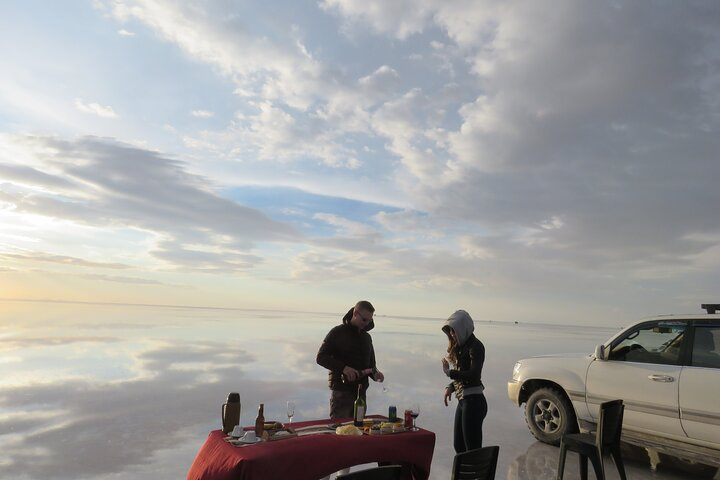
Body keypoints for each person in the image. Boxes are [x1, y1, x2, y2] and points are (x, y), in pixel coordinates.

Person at [317, 300, 385, 419]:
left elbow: (371, 366)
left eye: (370, 320)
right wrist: (344, 368)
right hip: (341, 393)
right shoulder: (337, 332)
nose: (367, 323)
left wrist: (376, 374)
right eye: (364, 319)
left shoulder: (367, 337)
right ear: (355, 313)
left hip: (361, 394)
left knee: (359, 432)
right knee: (340, 432)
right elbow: (321, 357)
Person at [441, 309, 487, 453]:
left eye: (454, 331)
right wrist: (451, 387)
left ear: (463, 328)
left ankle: (475, 475)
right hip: (464, 400)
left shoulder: (476, 347)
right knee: (459, 446)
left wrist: (450, 373)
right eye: (450, 332)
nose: (453, 335)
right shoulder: (461, 347)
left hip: (474, 402)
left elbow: (473, 375)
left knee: (472, 450)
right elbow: (463, 373)